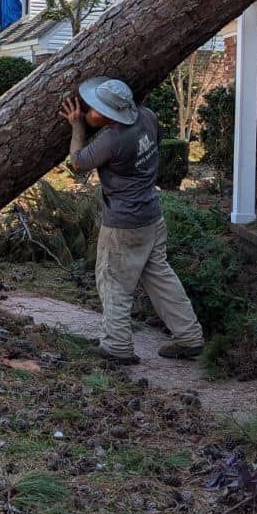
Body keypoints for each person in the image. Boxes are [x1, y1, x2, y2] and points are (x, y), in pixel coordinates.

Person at [60, 76, 204, 365]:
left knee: (113, 281)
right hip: (152, 217)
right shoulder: (147, 118)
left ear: (110, 115)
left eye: (95, 108)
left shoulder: (113, 140)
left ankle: (117, 346)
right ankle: (190, 338)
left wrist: (77, 124)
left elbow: (77, 162)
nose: (90, 110)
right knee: (161, 278)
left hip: (123, 225)